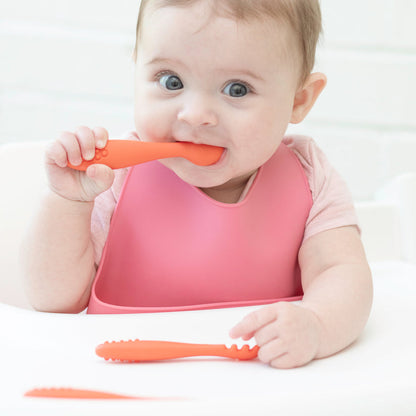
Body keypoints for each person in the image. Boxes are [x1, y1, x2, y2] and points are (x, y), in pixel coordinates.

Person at [21, 0, 373, 369]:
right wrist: (67, 202)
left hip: (258, 383)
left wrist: (316, 324)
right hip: (128, 376)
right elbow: (54, 300)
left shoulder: (309, 177)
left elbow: (343, 275)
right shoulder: (112, 178)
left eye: (237, 89)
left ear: (298, 100)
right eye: (171, 81)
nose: (195, 115)